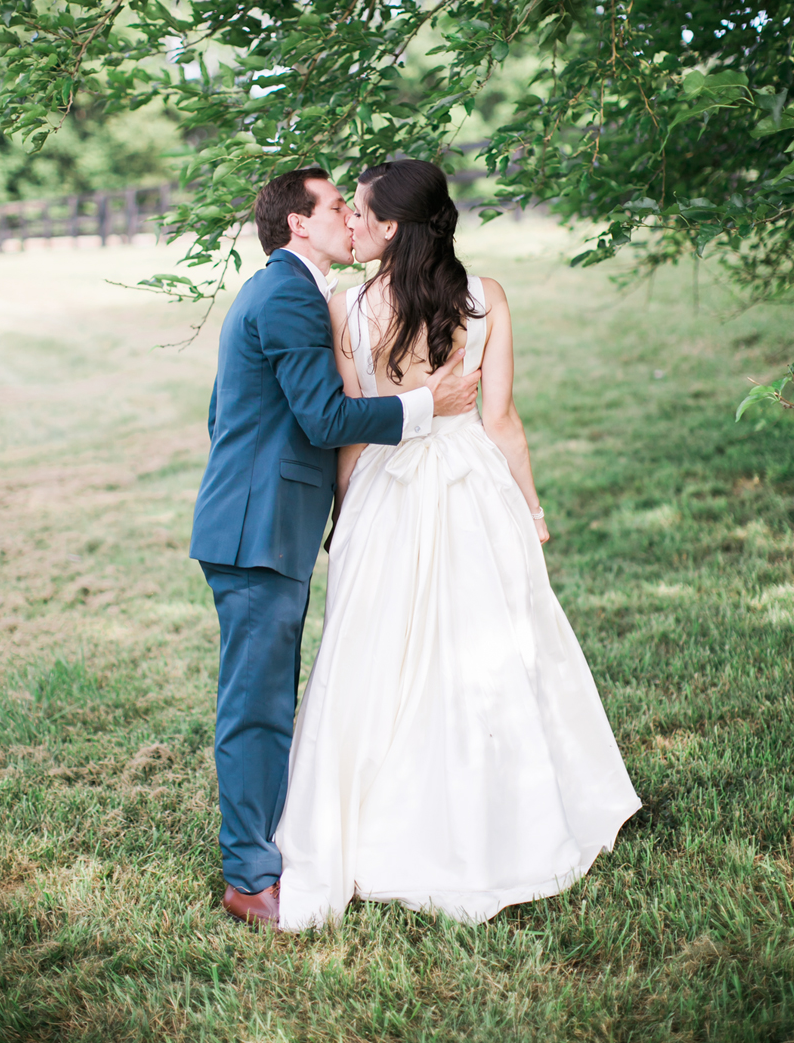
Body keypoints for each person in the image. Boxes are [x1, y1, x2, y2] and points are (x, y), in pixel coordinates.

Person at [274, 158, 639, 930]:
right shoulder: (487, 298)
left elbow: (350, 430)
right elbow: (501, 420)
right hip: (473, 480)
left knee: (383, 654)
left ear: (396, 227)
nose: (356, 226)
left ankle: (389, 826)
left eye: (366, 215)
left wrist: (348, 518)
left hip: (387, 480)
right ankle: (501, 818)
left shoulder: (349, 308)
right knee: (493, 643)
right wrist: (530, 507)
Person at [189, 166, 482, 928]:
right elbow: (323, 419)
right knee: (256, 708)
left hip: (263, 524)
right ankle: (250, 877)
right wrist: (429, 405)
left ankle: (272, 846)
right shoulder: (287, 291)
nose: (350, 221)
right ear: (298, 225)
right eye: (335, 209)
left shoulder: (291, 292)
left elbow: (228, 413)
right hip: (256, 533)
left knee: (268, 700)